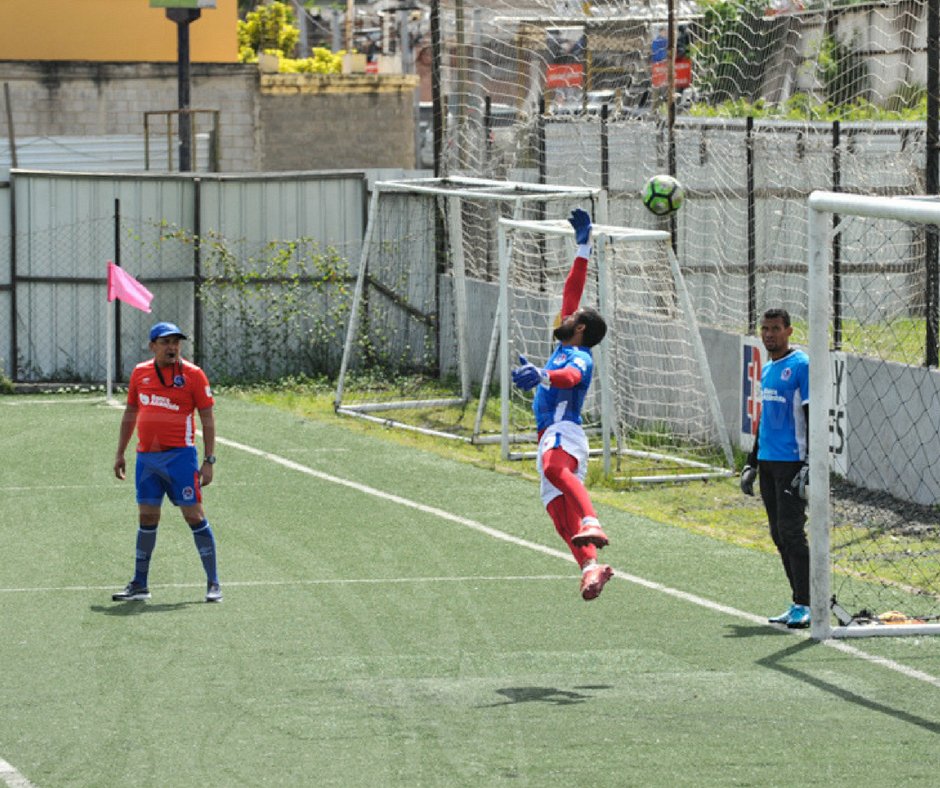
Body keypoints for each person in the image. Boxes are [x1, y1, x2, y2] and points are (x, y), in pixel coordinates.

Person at [511, 208, 612, 601]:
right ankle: (590, 566)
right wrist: (583, 247)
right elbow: (573, 288)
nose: (566, 313)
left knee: (556, 469)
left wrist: (543, 376)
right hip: (547, 436)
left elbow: (569, 379)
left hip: (563, 432)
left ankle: (593, 519)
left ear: (581, 328)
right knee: (557, 515)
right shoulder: (563, 346)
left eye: (573, 316)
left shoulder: (579, 358)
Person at [112, 321, 222, 603]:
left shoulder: (194, 375)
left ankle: (213, 582)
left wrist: (209, 460)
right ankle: (140, 584)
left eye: (176, 342)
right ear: (153, 346)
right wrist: (120, 452)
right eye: (166, 342)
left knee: (194, 516)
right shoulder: (140, 373)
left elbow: (207, 418)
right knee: (147, 518)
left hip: (181, 458)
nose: (172, 347)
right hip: (146, 459)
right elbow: (131, 411)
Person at [740, 308, 811, 628]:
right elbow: (764, 421)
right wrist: (751, 463)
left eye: (776, 329)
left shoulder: (801, 366)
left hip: (791, 462)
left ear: (789, 331)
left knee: (792, 532)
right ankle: (798, 600)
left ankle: (807, 604)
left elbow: (811, 416)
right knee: (778, 534)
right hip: (768, 462)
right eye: (765, 329)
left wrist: (809, 463)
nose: (769, 334)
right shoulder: (768, 368)